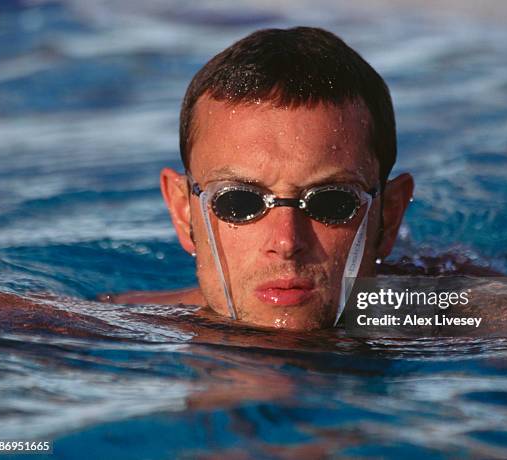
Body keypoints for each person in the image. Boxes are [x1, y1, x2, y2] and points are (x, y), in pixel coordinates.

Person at [105, 26, 414, 331]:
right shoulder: (102, 330)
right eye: (238, 200)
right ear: (183, 212)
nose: (286, 242)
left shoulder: (443, 323)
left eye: (332, 200)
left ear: (389, 215)